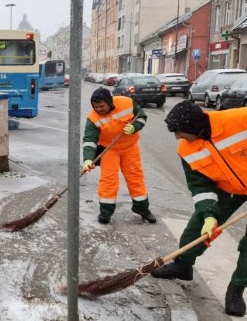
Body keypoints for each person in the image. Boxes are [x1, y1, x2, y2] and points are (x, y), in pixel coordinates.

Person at [151, 100, 247, 317]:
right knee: (197, 229)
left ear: (194, 126)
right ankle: (183, 266)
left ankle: (237, 287)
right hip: (227, 188)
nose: (177, 137)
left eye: (180, 132)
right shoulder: (186, 150)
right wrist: (209, 215)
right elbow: (200, 186)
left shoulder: (239, 120)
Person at [82, 87, 155, 224]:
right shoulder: (93, 118)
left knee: (135, 177)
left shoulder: (127, 103)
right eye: (96, 106)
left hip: (130, 147)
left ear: (109, 102)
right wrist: (87, 159)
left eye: (101, 106)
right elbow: (89, 140)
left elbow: (142, 116)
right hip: (109, 150)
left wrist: (135, 127)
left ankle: (142, 209)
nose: (99, 109)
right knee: (108, 180)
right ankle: (106, 212)